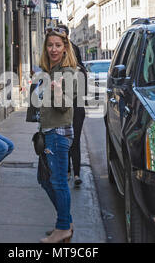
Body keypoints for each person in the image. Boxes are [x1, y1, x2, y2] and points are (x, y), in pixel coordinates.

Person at [37, 27, 77, 243]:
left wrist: (58, 92)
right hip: (48, 132)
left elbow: (65, 107)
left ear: (65, 48)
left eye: (58, 45)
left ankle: (63, 228)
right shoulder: (50, 71)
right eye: (50, 45)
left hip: (58, 133)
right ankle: (66, 222)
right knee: (44, 180)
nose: (53, 49)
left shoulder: (68, 72)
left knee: (58, 181)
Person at [57, 24, 87, 188]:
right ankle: (69, 171)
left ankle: (75, 173)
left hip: (76, 108)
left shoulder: (80, 72)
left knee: (74, 140)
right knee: (66, 140)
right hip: (64, 108)